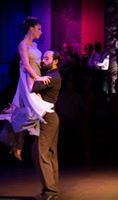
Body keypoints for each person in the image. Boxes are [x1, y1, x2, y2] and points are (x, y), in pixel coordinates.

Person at [0, 16, 53, 160]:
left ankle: (17, 144)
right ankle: (16, 143)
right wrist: (38, 78)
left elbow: (36, 64)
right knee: (32, 111)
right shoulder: (22, 45)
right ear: (31, 28)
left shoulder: (34, 46)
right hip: (28, 80)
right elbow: (26, 65)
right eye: (39, 29)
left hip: (35, 79)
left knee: (29, 112)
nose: (41, 32)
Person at [32, 50, 61, 200]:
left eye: (47, 58)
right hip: (50, 117)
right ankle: (51, 188)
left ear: (55, 61)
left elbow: (33, 87)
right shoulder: (50, 75)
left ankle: (50, 191)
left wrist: (29, 70)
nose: (43, 60)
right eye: (43, 57)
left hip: (48, 119)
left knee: (41, 153)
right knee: (48, 154)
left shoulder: (51, 77)